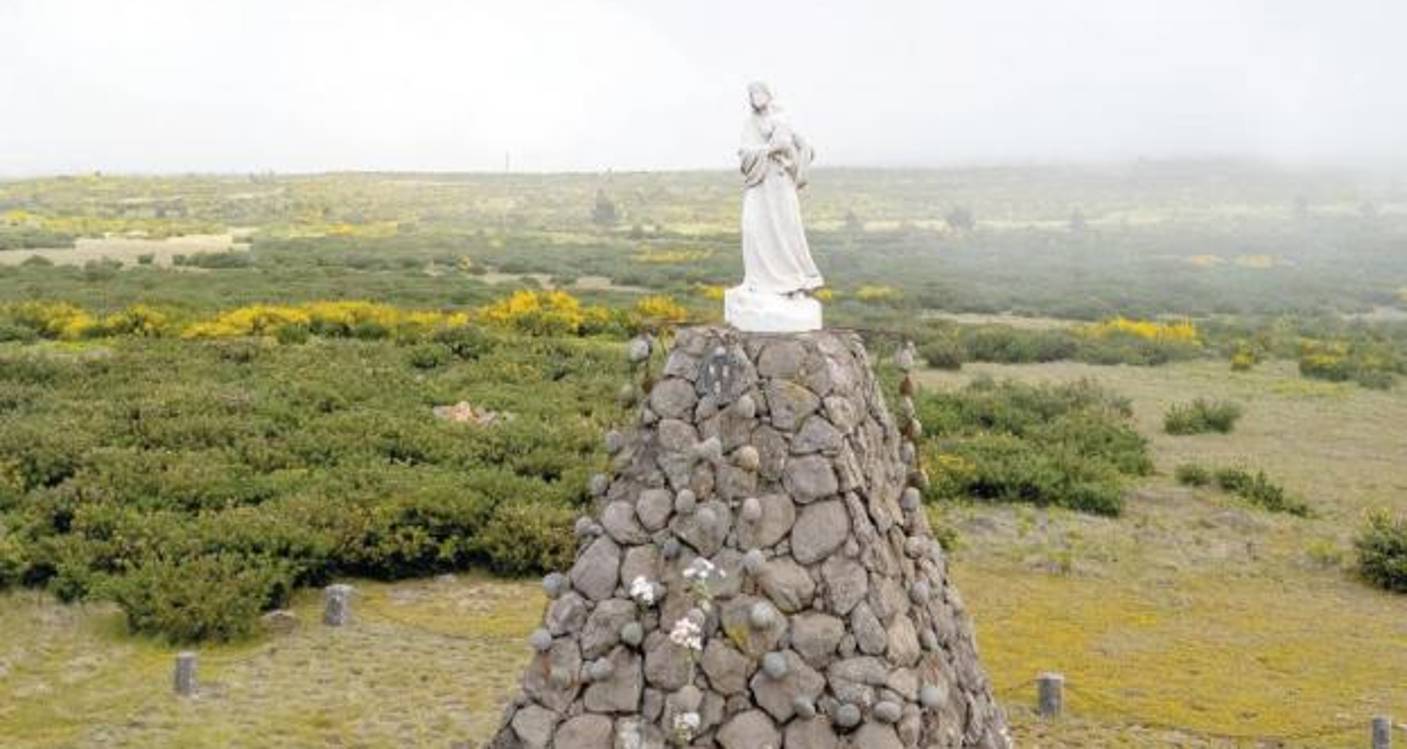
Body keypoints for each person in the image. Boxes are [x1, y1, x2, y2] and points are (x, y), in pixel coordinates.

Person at [737, 81, 824, 299]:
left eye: (759, 92)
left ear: (768, 95)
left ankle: (794, 279)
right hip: (759, 182)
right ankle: (758, 280)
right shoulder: (750, 123)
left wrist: (793, 161)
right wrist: (768, 150)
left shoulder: (782, 118)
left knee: (786, 228)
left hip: (779, 183)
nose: (756, 97)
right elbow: (744, 154)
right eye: (752, 94)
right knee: (752, 227)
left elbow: (806, 148)